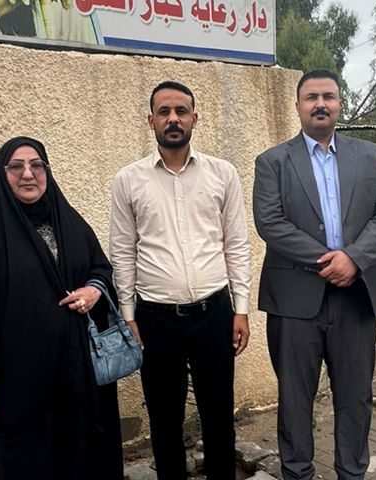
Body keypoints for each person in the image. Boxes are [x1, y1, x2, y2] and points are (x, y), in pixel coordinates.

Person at [0, 136, 123, 480]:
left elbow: (100, 267)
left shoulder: (68, 222)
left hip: (74, 379)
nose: (28, 174)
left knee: (81, 458)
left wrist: (93, 290)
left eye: (37, 165)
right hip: (14, 388)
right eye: (16, 166)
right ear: (2, 174)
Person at [252, 69, 376, 480]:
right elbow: (270, 222)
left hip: (357, 296)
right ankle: (297, 473)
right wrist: (329, 261)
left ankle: (351, 473)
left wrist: (354, 259)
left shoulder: (370, 156)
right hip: (294, 301)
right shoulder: (272, 162)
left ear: (339, 104)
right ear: (298, 106)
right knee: (294, 399)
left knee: (355, 398)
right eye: (311, 97)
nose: (320, 104)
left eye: (329, 96)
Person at [109, 81, 252, 480]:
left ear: (194, 118)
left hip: (214, 313)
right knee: (164, 421)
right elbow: (122, 252)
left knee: (219, 417)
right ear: (150, 120)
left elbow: (237, 244)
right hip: (155, 319)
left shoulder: (223, 174)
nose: (173, 119)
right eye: (164, 112)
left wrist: (241, 309)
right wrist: (127, 315)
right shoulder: (128, 180)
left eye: (181, 111)